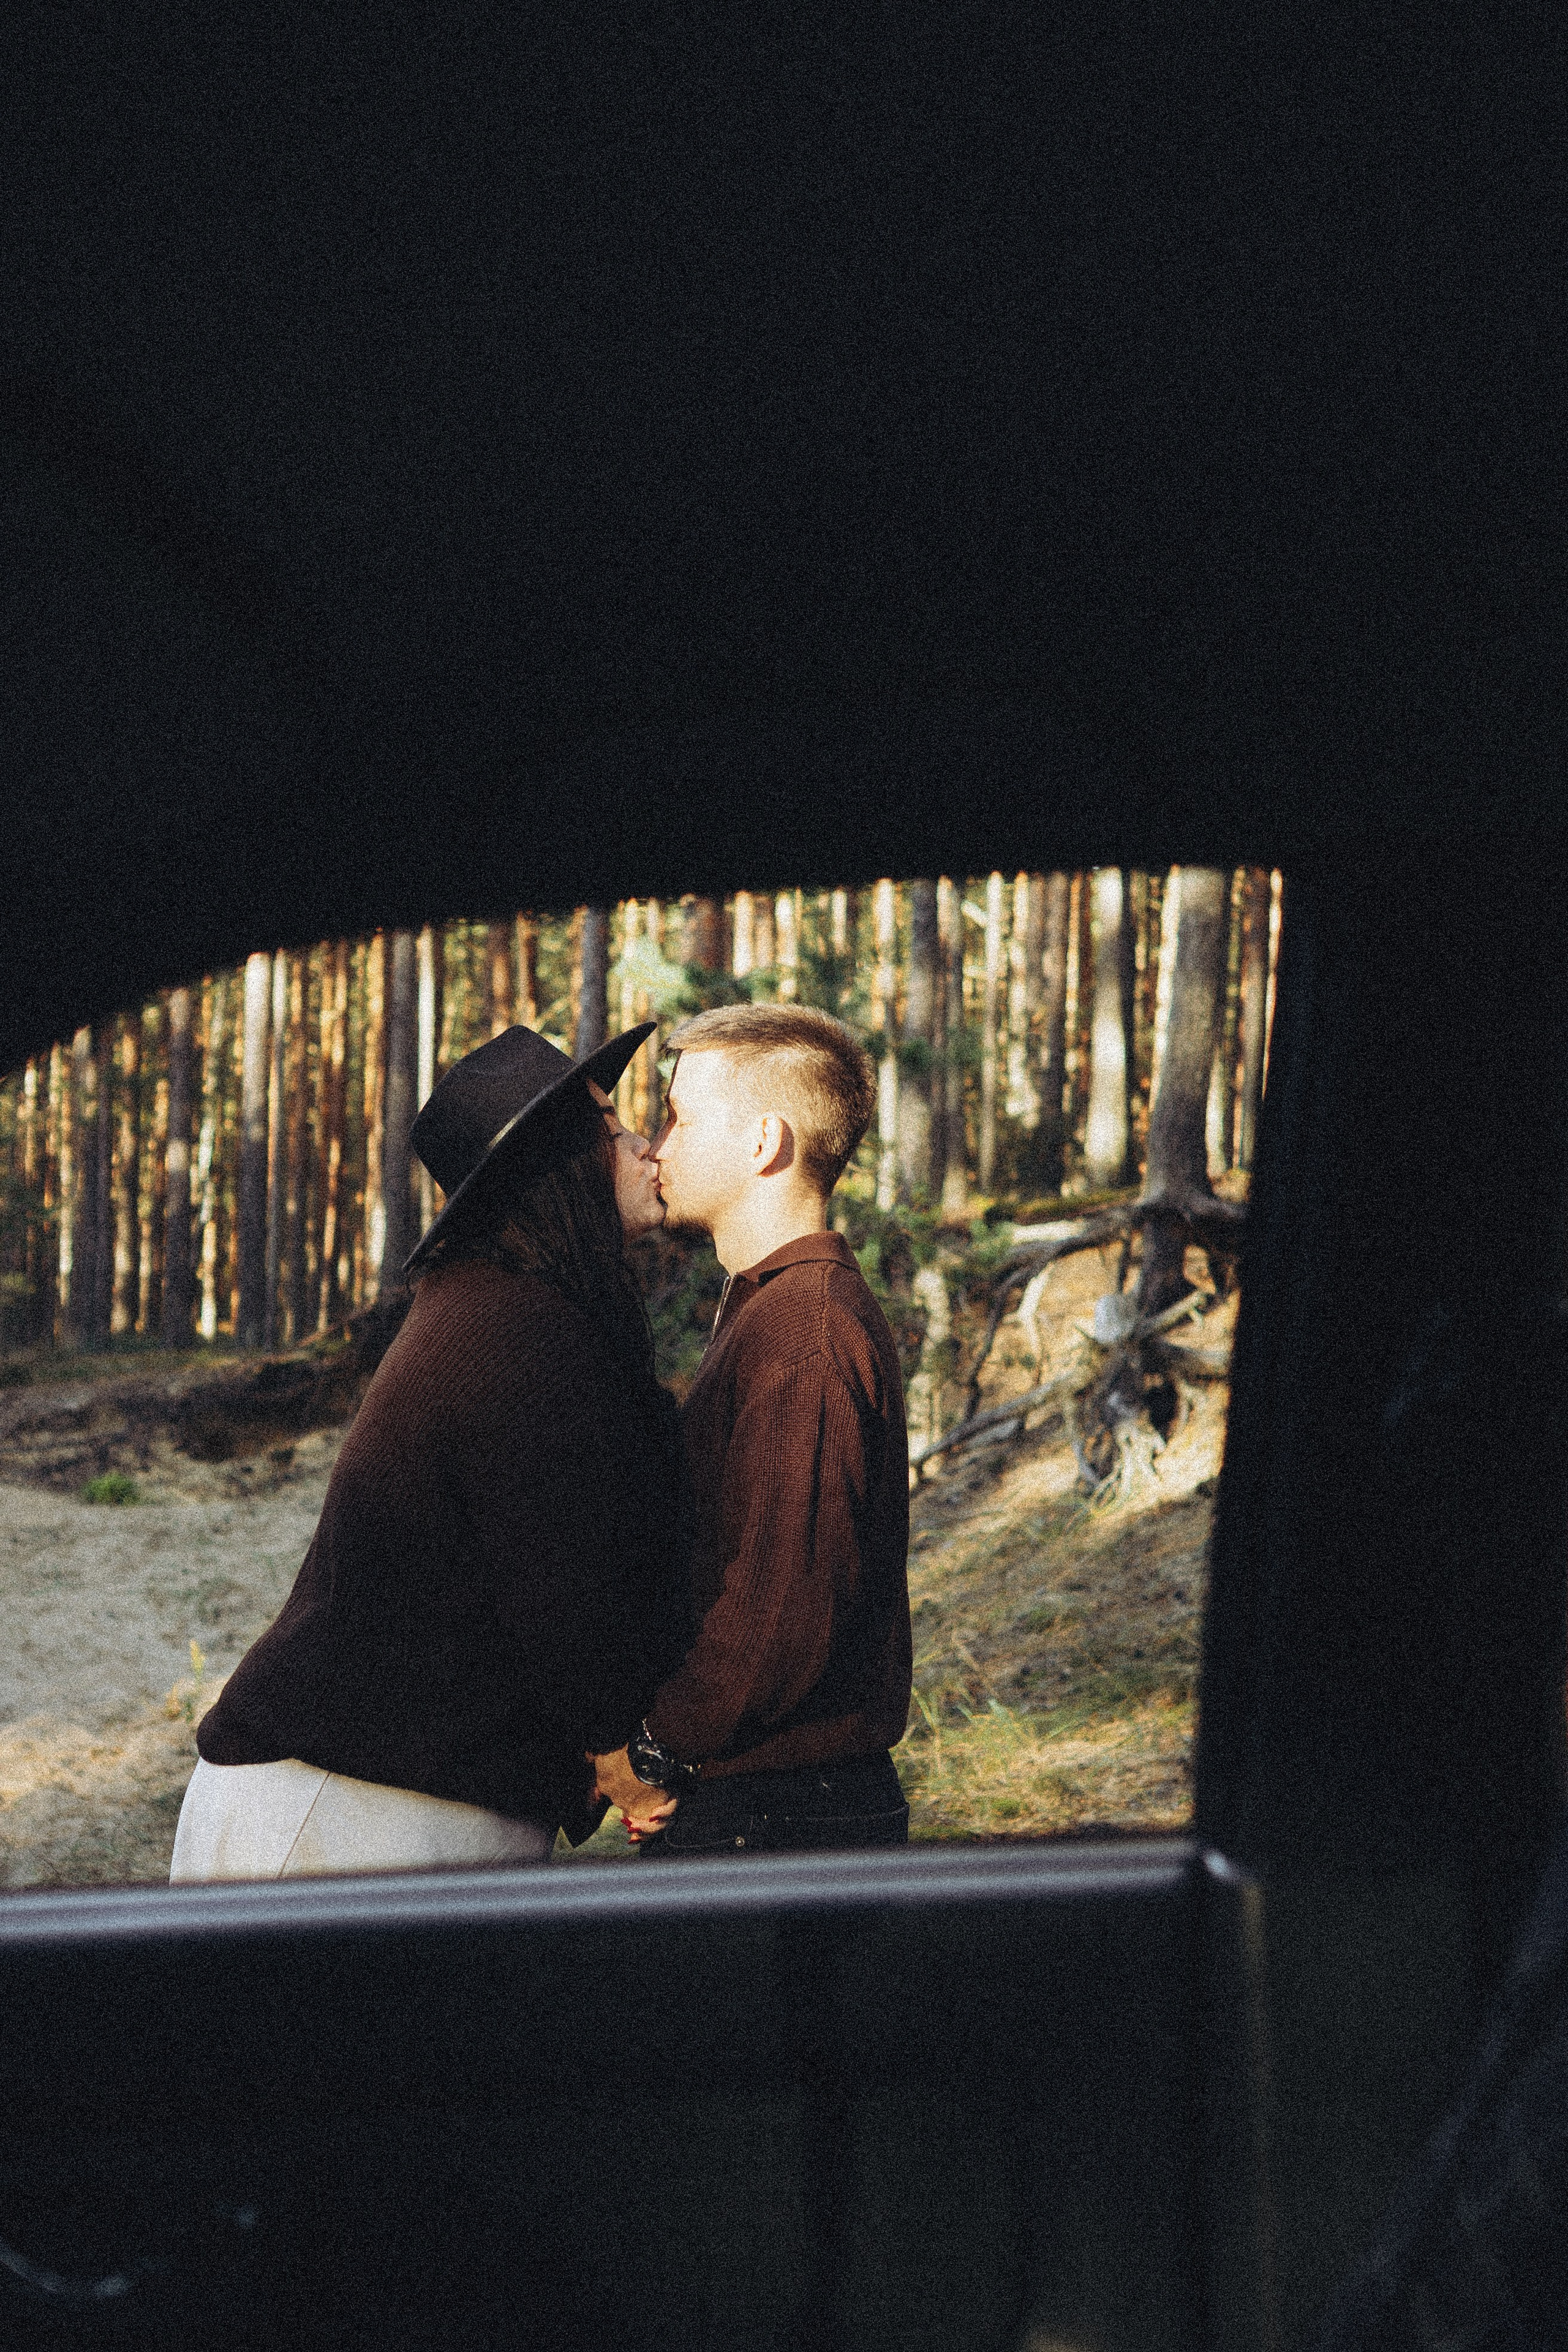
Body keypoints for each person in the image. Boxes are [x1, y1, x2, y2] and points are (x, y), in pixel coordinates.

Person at [170, 1020, 687, 1880]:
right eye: (611, 1127)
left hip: (389, 1807)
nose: (644, 1147)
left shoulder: (508, 1308)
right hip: (345, 1816)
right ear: (557, 1170)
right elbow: (561, 1589)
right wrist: (615, 1759)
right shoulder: (517, 1329)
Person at [590, 1003, 914, 1856]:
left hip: (782, 1816)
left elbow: (781, 1609)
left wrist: (652, 1751)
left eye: (680, 1118)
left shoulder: (804, 1327)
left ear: (764, 1143)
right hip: (766, 1803)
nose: (656, 1147)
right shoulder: (774, 1308)